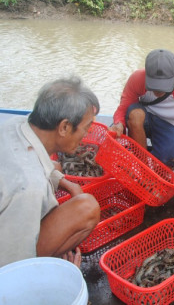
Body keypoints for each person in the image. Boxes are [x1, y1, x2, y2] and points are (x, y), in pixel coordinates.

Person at [0, 76, 101, 268]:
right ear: (64, 127)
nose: (86, 135)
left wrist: (65, 182)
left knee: (55, 168)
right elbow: (11, 268)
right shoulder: (29, 188)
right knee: (87, 208)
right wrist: (61, 272)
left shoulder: (15, 124)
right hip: (7, 258)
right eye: (86, 128)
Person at [109, 49, 174, 170]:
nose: (158, 91)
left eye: (163, 86)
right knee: (135, 114)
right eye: (153, 85)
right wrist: (119, 123)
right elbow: (123, 108)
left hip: (170, 124)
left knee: (168, 160)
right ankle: (142, 166)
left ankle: (154, 166)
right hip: (143, 118)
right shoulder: (137, 78)